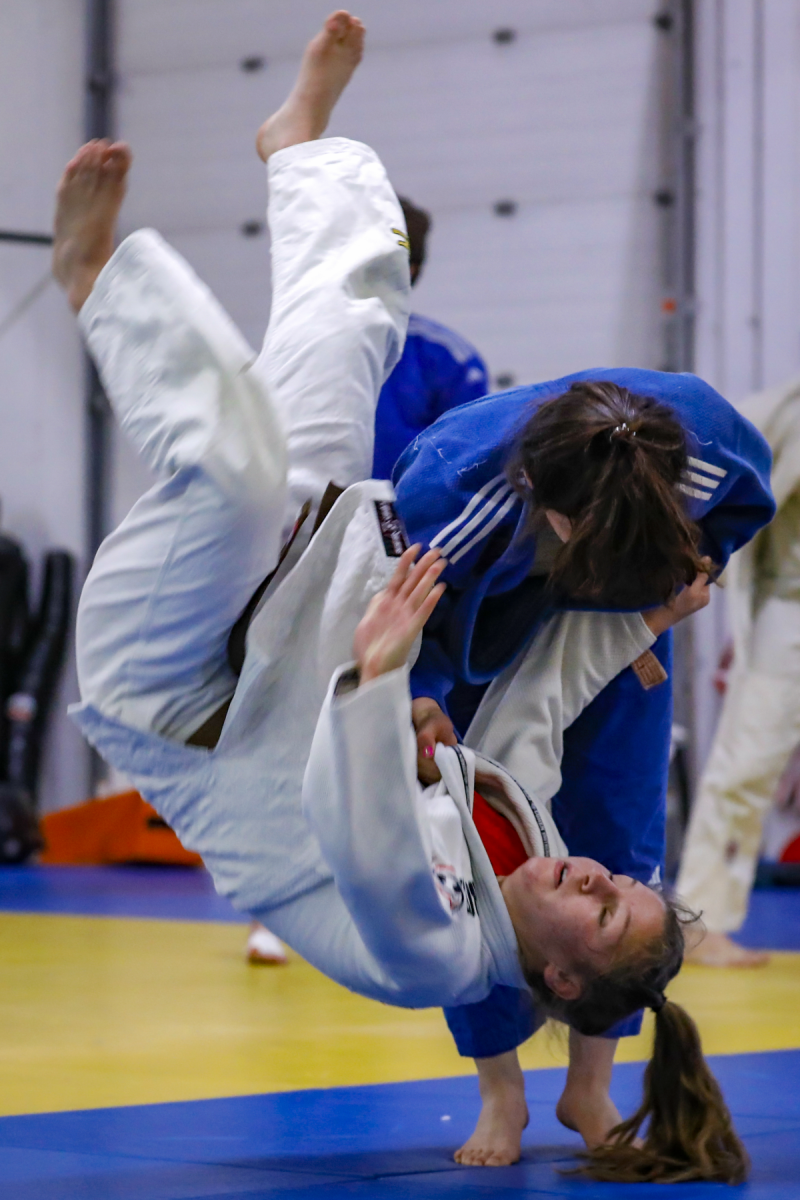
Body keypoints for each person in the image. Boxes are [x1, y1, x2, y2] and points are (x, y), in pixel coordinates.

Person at [52, 12, 747, 1185]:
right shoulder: (520, 838)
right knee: (351, 325)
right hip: (303, 599)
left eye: (603, 911)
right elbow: (534, 695)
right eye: (623, 883)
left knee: (232, 463)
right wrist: (641, 620)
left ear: (561, 984)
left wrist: (384, 687)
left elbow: (363, 833)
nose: (597, 876)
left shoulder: (433, 955)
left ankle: (90, 281)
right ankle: (301, 147)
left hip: (175, 692)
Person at [389, 322, 774, 1161]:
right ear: (551, 513)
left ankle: (590, 1087)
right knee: (489, 864)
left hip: (631, 608)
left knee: (622, 841)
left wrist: (684, 576)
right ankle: (501, 1092)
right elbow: (400, 609)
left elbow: (749, 502)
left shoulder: (705, 435)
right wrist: (419, 701)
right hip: (480, 633)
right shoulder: (448, 487)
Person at [677, 374, 800, 966]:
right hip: (791, 613)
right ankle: (705, 919)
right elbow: (725, 455)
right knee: (747, 764)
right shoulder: (784, 409)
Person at [371, 195, 489, 480]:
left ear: (408, 269)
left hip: (402, 520)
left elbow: (465, 466)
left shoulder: (449, 360)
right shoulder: (304, 344)